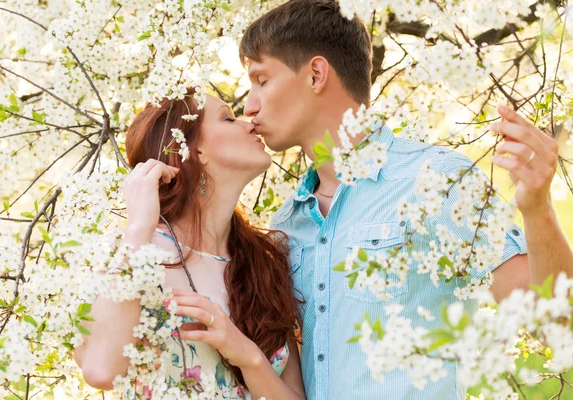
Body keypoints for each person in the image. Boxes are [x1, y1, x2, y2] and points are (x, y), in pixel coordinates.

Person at [239, 0, 573, 399]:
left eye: (261, 79)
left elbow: (557, 320)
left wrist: (537, 208)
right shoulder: (284, 226)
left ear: (315, 74)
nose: (249, 105)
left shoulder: (436, 181)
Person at [73, 89, 307, 400]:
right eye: (228, 118)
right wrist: (140, 225)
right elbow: (100, 370)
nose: (249, 123)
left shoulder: (265, 263)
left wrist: (247, 356)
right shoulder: (129, 251)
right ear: (192, 151)